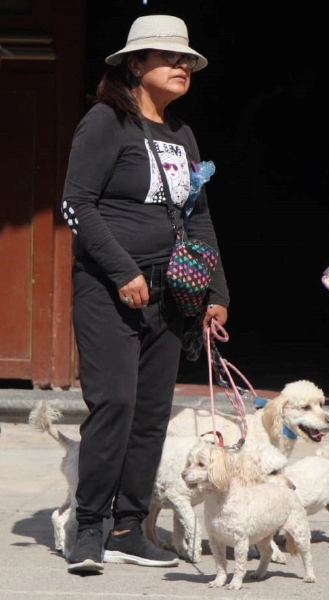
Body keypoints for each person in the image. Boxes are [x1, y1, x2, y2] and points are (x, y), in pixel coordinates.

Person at [60, 14, 230, 575]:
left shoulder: (182, 134)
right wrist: (122, 269)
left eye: (187, 60)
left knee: (153, 412)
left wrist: (215, 293)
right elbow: (76, 205)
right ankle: (90, 527)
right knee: (115, 402)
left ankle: (131, 527)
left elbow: (198, 219)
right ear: (136, 64)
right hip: (110, 289)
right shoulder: (105, 122)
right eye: (168, 57)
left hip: (171, 296)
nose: (182, 66)